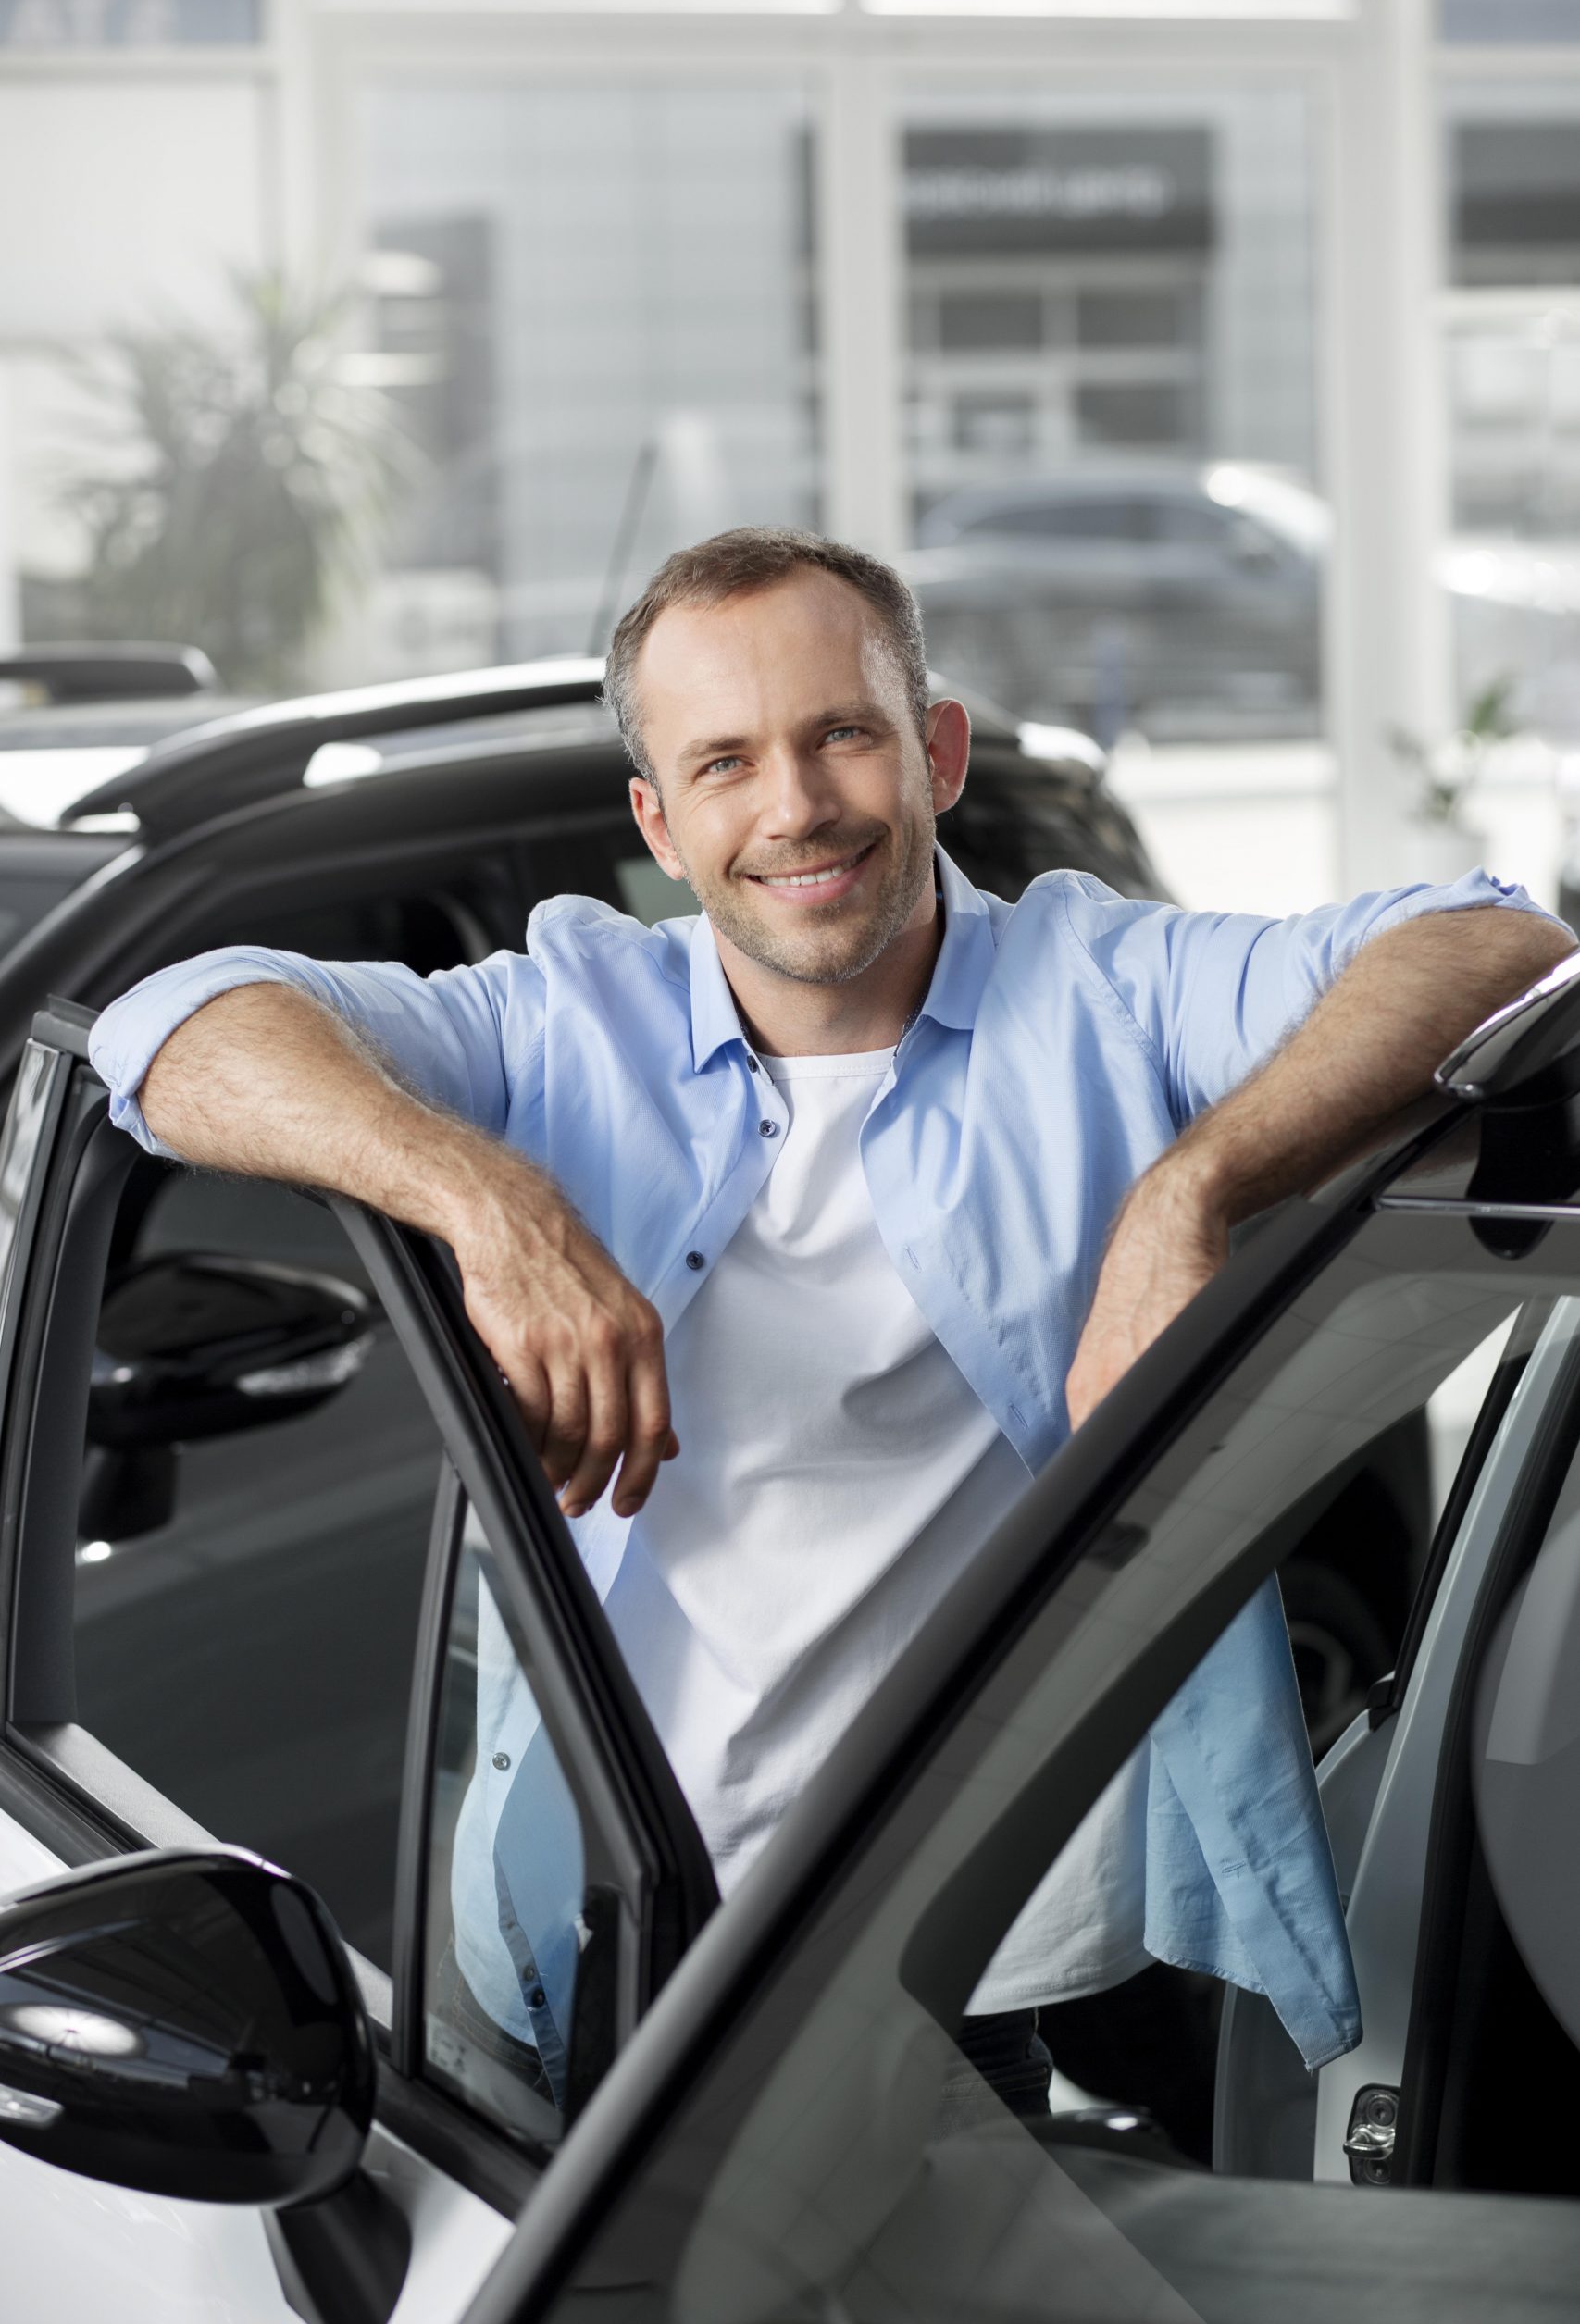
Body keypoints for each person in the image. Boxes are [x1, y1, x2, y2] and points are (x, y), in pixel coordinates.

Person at [90, 527, 1570, 2118]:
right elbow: (168, 1025)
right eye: (724, 763)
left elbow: (1504, 948)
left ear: (937, 754)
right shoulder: (559, 1021)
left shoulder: (1101, 988)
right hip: (597, 1925)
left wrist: (1186, 1191)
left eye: (841, 734)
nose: (793, 807)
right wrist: (486, 1202)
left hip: (937, 1951)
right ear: (659, 822)